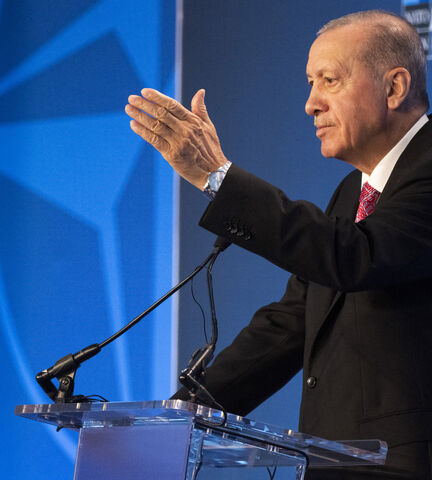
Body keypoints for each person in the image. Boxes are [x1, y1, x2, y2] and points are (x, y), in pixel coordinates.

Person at [125, 10, 432, 479]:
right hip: (337, 466)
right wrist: (178, 415)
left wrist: (219, 179)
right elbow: (290, 325)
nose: (311, 103)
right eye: (310, 83)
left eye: (329, 80)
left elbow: (354, 257)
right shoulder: (353, 193)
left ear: (394, 87)